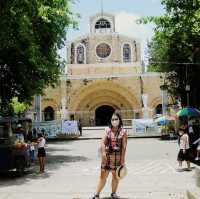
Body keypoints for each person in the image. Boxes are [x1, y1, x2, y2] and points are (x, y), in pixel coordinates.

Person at [92, 112, 127, 199]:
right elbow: (103, 143)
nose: (114, 121)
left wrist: (122, 159)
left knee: (115, 177)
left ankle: (113, 193)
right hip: (107, 158)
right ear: (110, 121)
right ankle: (96, 194)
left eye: (116, 119)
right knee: (103, 176)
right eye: (113, 119)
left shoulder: (123, 132)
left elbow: (124, 147)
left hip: (117, 158)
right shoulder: (107, 130)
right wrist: (103, 153)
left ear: (119, 120)